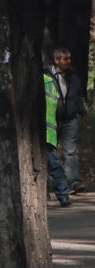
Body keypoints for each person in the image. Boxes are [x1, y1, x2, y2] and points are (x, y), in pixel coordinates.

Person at [49, 47, 86, 194]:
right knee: (50, 151)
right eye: (65, 59)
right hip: (52, 120)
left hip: (70, 119)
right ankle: (52, 182)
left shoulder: (74, 78)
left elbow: (78, 98)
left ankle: (74, 181)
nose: (68, 61)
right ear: (56, 60)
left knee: (70, 151)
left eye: (69, 58)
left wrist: (83, 113)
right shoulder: (46, 76)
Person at [45, 63, 72, 206]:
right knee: (53, 163)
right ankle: (63, 194)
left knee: (52, 162)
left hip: (40, 130)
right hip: (50, 129)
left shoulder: (40, 82)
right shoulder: (51, 81)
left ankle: (62, 193)